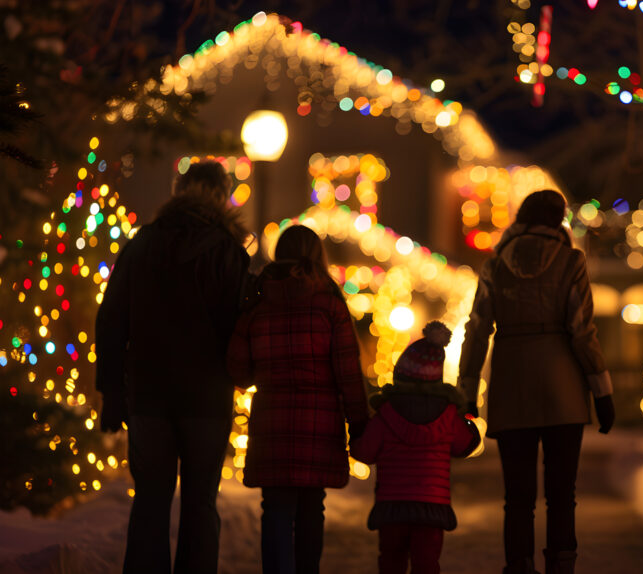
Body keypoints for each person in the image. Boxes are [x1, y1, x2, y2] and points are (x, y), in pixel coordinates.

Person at [95, 160, 251, 574]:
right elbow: (242, 325)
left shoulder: (142, 244)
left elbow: (112, 319)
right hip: (207, 396)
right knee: (201, 503)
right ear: (221, 195)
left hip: (148, 393)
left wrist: (112, 390)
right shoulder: (228, 251)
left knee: (149, 500)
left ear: (179, 190)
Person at [458, 189, 615, 574]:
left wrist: (466, 389)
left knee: (517, 497)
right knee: (562, 495)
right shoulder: (571, 260)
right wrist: (602, 391)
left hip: (511, 381)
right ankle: (562, 566)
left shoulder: (496, 264)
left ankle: (519, 566)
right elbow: (581, 329)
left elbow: (477, 330)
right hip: (562, 384)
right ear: (558, 220)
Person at [226, 224, 369, 574]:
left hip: (272, 419)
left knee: (274, 507)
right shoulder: (329, 303)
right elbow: (348, 371)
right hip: (318, 422)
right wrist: (360, 423)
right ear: (317, 254)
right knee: (311, 507)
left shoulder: (257, 302)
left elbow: (240, 371)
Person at [350, 321, 481, 574]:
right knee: (427, 563)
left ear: (400, 374)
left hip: (392, 506)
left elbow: (363, 452)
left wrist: (356, 432)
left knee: (391, 560)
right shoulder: (449, 416)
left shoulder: (384, 415)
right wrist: (468, 420)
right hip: (432, 505)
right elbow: (465, 445)